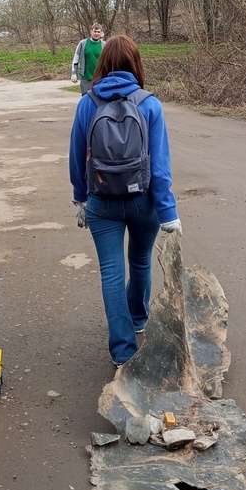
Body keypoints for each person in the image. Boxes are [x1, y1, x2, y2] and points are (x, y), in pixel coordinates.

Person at [69, 35, 182, 367]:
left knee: (111, 273)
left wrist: (80, 198)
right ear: (136, 63)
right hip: (143, 201)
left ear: (102, 63)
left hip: (101, 202)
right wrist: (169, 212)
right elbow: (159, 166)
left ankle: (122, 351)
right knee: (141, 262)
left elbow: (77, 158)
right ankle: (137, 319)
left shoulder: (87, 103)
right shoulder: (149, 104)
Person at [71, 23, 105, 96]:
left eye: (98, 32)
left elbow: (108, 61)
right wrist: (74, 73)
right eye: (95, 31)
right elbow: (76, 59)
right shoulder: (83, 43)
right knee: (86, 99)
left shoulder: (104, 45)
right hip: (86, 77)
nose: (96, 33)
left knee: (99, 101)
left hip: (100, 78)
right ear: (91, 31)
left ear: (101, 33)